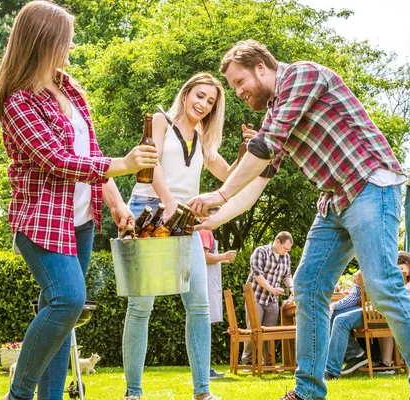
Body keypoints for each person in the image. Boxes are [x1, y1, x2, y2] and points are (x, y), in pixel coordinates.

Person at [189, 39, 410, 400]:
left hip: (369, 183)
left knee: (384, 285)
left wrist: (218, 194)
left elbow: (262, 148)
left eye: (239, 82)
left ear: (261, 68)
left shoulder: (302, 76)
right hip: (334, 201)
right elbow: (256, 183)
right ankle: (308, 391)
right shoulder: (275, 115)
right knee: (308, 287)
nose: (238, 92)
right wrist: (214, 220)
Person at [0, 2, 158, 399]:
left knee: (61, 318)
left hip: (81, 221)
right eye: (66, 38)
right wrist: (126, 164)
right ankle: (19, 394)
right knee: (68, 301)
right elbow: (56, 161)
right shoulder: (18, 101)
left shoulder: (68, 87)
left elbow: (90, 150)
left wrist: (114, 201)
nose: (72, 45)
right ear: (44, 40)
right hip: (42, 223)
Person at [122, 72, 248, 400]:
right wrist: (167, 202)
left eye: (211, 101)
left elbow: (228, 176)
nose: (204, 104)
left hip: (185, 219)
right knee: (141, 305)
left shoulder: (204, 139)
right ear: (187, 92)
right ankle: (133, 392)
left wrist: (247, 151)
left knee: (199, 305)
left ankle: (202, 392)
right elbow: (153, 164)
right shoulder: (162, 120)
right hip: (149, 209)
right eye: (200, 96)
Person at [241, 231, 294, 365]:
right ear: (277, 242)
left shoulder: (286, 257)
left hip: (272, 300)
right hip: (255, 296)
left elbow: (287, 276)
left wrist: (292, 289)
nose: (285, 251)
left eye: (288, 249)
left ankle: (268, 363)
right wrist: (272, 289)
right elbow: (257, 274)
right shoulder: (260, 252)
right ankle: (248, 362)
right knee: (253, 329)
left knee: (270, 332)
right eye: (284, 248)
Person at [198, 229, 237, 379]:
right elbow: (204, 256)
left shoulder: (204, 231)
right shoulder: (205, 231)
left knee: (204, 326)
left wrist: (222, 259)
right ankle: (204, 370)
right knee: (203, 327)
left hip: (207, 283)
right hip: (206, 284)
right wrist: (223, 256)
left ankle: (204, 369)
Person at [324, 270, 369, 379]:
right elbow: (353, 298)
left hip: (375, 311)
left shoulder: (375, 269)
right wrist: (333, 307)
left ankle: (331, 370)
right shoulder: (363, 270)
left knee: (340, 320)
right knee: (330, 315)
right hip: (366, 309)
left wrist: (333, 306)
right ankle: (356, 354)